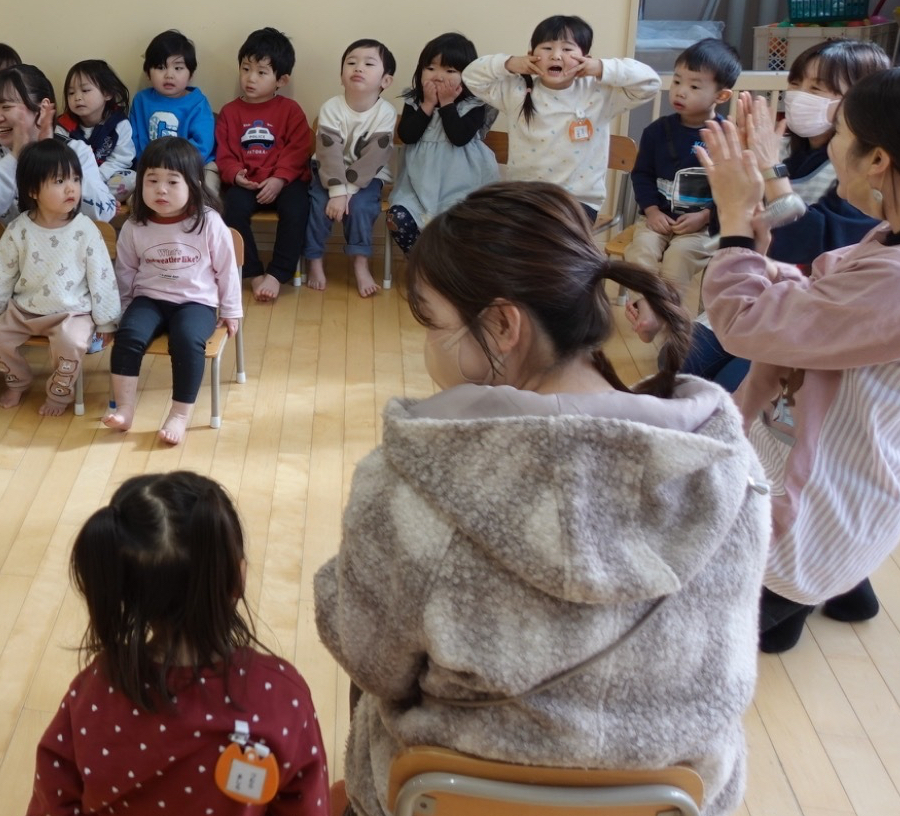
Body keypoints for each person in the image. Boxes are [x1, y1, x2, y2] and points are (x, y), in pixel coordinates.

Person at [316, 181, 767, 816]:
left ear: (503, 325)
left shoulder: (405, 482)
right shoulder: (724, 470)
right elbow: (725, 675)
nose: (427, 346)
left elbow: (372, 662)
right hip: (669, 802)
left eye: (434, 325)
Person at [699, 75, 900, 653]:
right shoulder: (887, 238)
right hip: (853, 485)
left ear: (878, 159)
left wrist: (735, 225)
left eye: (839, 133)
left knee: (706, 627)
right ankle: (832, 594)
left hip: (818, 510)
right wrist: (761, 258)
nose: (830, 145)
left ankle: (798, 598)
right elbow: (828, 293)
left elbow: (742, 323)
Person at [28, 471, 330, 815]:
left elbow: (53, 797)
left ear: (121, 589)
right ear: (237, 578)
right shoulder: (281, 696)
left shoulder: (94, 690)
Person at [680, 37, 889, 387]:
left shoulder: (860, 173)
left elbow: (817, 246)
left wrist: (770, 171)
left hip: (808, 316)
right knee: (680, 361)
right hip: (758, 291)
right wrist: (734, 183)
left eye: (816, 88)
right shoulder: (781, 148)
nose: (798, 96)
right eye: (795, 83)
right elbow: (731, 231)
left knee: (733, 386)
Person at [104, 138, 242, 446]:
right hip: (149, 299)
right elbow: (125, 272)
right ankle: (124, 408)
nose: (161, 190)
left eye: (172, 181)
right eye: (152, 180)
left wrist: (232, 310)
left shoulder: (208, 222)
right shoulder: (135, 226)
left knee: (187, 341)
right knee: (128, 336)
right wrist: (121, 311)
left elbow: (227, 269)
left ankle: (179, 415)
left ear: (194, 184)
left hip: (196, 303)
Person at [462, 14, 661, 223]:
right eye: (547, 48)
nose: (556, 56)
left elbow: (650, 83)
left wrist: (601, 68)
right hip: (524, 197)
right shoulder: (517, 91)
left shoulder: (600, 93)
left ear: (586, 58)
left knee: (542, 237)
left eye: (567, 49)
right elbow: (470, 77)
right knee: (490, 232)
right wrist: (510, 63)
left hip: (577, 202)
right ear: (530, 56)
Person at [0, 140, 120, 414]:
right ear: (33, 190)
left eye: (75, 179)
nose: (71, 188)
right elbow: (1, 273)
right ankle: (18, 380)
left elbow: (102, 277)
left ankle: (58, 394)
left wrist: (106, 321)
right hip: (24, 311)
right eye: (59, 181)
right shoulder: (19, 229)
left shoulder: (85, 229)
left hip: (72, 314)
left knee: (71, 344)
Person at [622, 39, 741, 326]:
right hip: (657, 218)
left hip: (703, 227)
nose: (680, 91)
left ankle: (661, 315)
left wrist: (706, 215)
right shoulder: (655, 132)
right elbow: (642, 174)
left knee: (679, 256)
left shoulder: (727, 136)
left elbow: (733, 188)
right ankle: (646, 308)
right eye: (677, 81)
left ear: (721, 95)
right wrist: (652, 211)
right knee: (640, 252)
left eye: (694, 86)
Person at [216, 27, 313, 303]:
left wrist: (280, 178)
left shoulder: (290, 110)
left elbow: (299, 149)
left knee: (297, 208)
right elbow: (224, 153)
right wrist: (235, 175)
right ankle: (252, 271)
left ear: (281, 79)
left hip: (285, 182)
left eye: (261, 72)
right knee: (231, 208)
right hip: (246, 183)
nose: (250, 78)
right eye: (246, 69)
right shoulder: (230, 112)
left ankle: (278, 272)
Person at [0, 64, 117, 224]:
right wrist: (16, 157)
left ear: (42, 108)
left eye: (6, 107)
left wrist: (50, 158)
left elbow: (103, 212)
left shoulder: (75, 151)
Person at [387, 32, 499, 253]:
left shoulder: (475, 104)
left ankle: (449, 269)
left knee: (466, 228)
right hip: (417, 185)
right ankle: (423, 265)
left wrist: (447, 104)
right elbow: (407, 136)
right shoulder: (414, 101)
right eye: (430, 68)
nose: (438, 76)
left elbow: (459, 137)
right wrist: (427, 105)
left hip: (463, 185)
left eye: (450, 71)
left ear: (468, 76)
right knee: (398, 218)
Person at [305, 39, 398, 298]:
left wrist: (349, 191)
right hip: (327, 172)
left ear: (385, 80)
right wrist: (337, 192)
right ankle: (314, 260)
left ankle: (360, 262)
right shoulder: (331, 108)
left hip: (367, 177)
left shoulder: (386, 113)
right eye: (351, 62)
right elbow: (329, 152)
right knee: (318, 206)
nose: (358, 68)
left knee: (361, 208)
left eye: (369, 64)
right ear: (341, 76)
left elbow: (375, 156)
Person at [128, 30, 217, 185]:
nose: (169, 75)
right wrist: (153, 167)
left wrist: (177, 166)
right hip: (152, 168)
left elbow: (203, 144)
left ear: (191, 74)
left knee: (208, 185)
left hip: (193, 166)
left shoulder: (198, 103)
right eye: (160, 67)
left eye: (178, 68)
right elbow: (133, 140)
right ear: (148, 73)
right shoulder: (141, 101)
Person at [57, 58, 135, 201]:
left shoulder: (118, 123)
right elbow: (58, 161)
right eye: (71, 93)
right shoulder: (63, 126)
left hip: (105, 178)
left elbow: (121, 159)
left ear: (107, 93)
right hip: (74, 181)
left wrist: (96, 178)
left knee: (131, 179)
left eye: (85, 90)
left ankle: (94, 201)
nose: (77, 97)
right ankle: (89, 200)